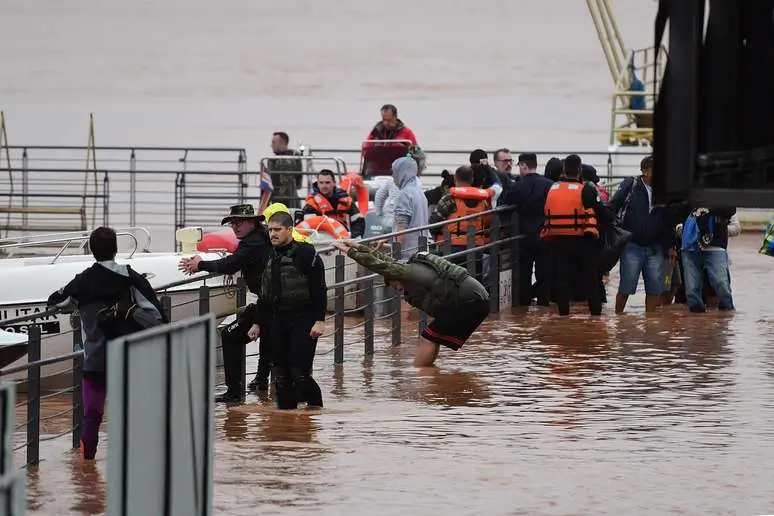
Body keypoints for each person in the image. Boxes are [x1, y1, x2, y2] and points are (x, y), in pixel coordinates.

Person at [46, 227, 167, 460]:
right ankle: (136, 462)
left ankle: (86, 468)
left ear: (91, 250)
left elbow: (55, 303)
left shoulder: (81, 282)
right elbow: (157, 315)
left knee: (92, 414)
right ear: (116, 248)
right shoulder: (131, 277)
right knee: (135, 410)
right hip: (131, 357)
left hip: (96, 358)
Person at [331, 240, 490, 368]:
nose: (398, 290)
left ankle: (421, 373)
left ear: (396, 278)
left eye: (395, 286)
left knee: (429, 337)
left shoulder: (408, 273)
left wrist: (348, 252)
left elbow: (379, 265)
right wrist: (358, 246)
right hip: (475, 299)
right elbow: (388, 261)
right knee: (433, 336)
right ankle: (431, 376)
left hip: (469, 301)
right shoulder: (409, 269)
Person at [178, 204, 272, 402]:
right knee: (266, 340)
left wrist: (200, 265)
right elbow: (236, 260)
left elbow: (230, 265)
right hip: (266, 302)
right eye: (232, 223)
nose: (235, 227)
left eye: (240, 222)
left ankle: (234, 392)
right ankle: (261, 383)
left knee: (230, 335)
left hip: (267, 303)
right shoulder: (260, 238)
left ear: (252, 222)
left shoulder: (252, 243)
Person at [258, 211, 326, 409]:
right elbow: (264, 293)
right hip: (277, 319)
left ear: (289, 230)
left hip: (303, 318)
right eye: (270, 230)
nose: (273, 234)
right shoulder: (268, 255)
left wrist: (320, 320)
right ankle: (285, 424)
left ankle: (315, 413)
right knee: (281, 375)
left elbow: (319, 289)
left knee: (300, 372)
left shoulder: (306, 253)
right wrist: (258, 323)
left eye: (277, 229)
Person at [540, 155, 613, 316]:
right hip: (584, 241)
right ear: (579, 170)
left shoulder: (552, 188)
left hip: (559, 240)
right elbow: (603, 213)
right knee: (591, 280)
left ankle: (563, 316)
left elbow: (545, 211)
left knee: (563, 281)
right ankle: (595, 318)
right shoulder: (586, 189)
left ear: (564, 170)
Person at [608, 155, 674, 314]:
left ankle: (650, 323)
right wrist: (612, 235)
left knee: (655, 288)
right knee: (626, 286)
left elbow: (669, 220)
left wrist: (671, 246)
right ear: (645, 171)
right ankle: (619, 319)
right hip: (632, 244)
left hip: (657, 246)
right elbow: (612, 207)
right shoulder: (631, 185)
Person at [500, 153, 554, 306]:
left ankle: (524, 304)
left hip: (524, 234)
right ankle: (544, 302)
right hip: (545, 233)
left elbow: (504, 206)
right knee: (544, 272)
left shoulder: (518, 185)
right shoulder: (548, 185)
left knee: (525, 272)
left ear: (524, 165)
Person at [429, 165, 493, 282]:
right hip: (476, 249)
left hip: (452, 248)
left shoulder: (449, 199)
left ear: (455, 179)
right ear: (472, 179)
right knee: (474, 282)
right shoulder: (483, 201)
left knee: (451, 282)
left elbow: (433, 222)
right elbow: (488, 222)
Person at [301, 169, 365, 237]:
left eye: (327, 182)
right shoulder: (312, 204)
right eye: (321, 183)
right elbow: (309, 229)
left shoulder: (346, 201)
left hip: (345, 239)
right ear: (318, 184)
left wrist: (352, 236)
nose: (324, 186)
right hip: (322, 240)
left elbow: (358, 222)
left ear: (334, 183)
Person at [362, 104, 418, 177]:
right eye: (384, 120)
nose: (386, 123)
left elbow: (416, 151)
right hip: (377, 171)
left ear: (395, 117)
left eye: (389, 120)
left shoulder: (406, 132)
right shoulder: (376, 131)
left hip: (400, 171)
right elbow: (366, 149)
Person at [392, 156, 429, 257]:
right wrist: (385, 239)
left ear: (401, 172)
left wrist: (396, 255)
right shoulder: (420, 193)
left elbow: (402, 226)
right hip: (421, 251)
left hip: (407, 255)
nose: (393, 176)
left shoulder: (404, 194)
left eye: (394, 172)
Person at [267, 131, 304, 208]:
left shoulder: (293, 157)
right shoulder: (272, 160)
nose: (271, 145)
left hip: (287, 199)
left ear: (282, 143)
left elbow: (298, 181)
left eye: (274, 142)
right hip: (278, 199)